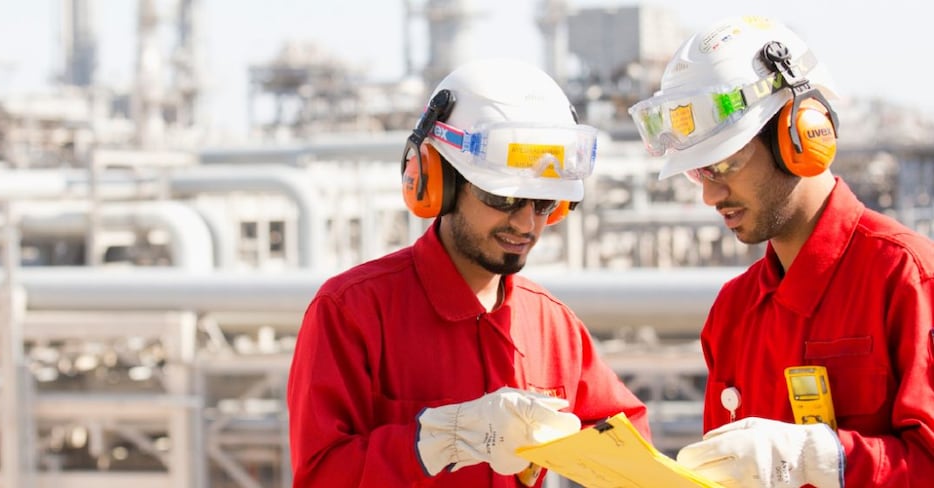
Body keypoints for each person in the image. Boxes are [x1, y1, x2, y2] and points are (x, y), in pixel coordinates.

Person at [287, 58, 650, 487]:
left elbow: (628, 443)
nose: (525, 224)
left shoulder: (551, 325)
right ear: (437, 181)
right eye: (503, 198)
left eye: (544, 204)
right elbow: (321, 474)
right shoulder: (353, 312)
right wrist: (437, 441)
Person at [629, 15, 934, 487]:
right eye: (698, 173)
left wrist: (824, 458)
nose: (710, 196)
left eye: (725, 163)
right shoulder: (734, 312)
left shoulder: (907, 278)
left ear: (800, 133)